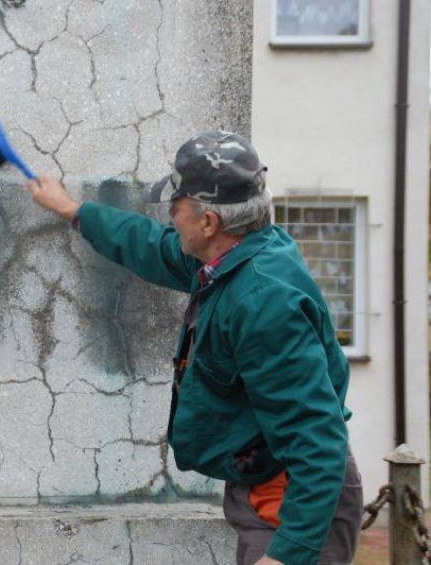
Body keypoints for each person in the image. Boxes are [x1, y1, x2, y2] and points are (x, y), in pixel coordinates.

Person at [25, 131, 363, 565]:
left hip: (295, 505)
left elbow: (317, 439)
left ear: (209, 223)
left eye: (176, 206)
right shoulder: (238, 255)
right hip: (269, 485)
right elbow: (152, 244)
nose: (169, 214)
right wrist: (74, 210)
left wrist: (288, 554)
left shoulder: (263, 302)